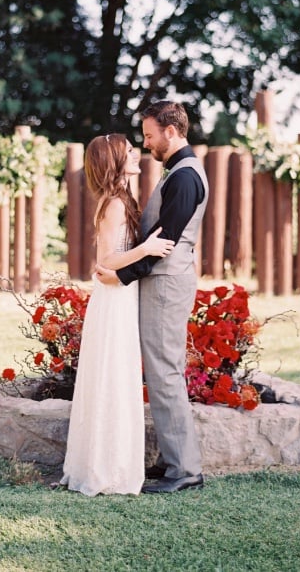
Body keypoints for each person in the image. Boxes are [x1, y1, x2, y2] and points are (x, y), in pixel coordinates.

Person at [96, 101, 209, 493]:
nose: (146, 145)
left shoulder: (184, 177)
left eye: (149, 136)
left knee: (165, 374)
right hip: (162, 282)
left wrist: (120, 275)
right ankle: (172, 458)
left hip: (165, 284)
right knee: (162, 371)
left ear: (172, 132)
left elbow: (164, 242)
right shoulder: (178, 171)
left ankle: (185, 470)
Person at [59, 133, 174, 496]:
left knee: (118, 378)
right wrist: (147, 248)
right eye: (128, 150)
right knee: (112, 377)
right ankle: (106, 469)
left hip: (121, 295)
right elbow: (106, 261)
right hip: (113, 300)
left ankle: (115, 464)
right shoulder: (112, 204)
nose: (135, 152)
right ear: (114, 161)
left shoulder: (122, 198)